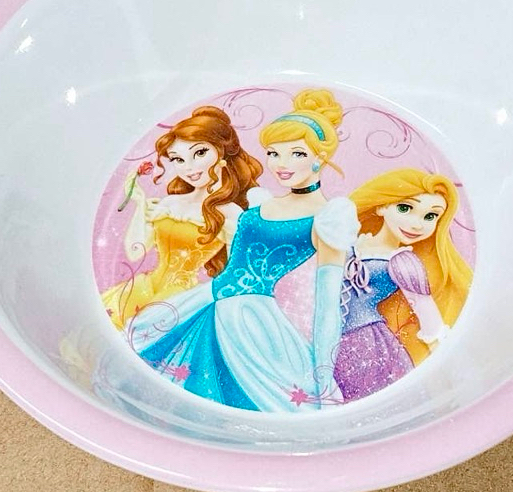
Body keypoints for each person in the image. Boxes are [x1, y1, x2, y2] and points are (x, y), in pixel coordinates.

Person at [121, 89, 357, 412]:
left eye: (297, 154)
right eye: (274, 153)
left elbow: (327, 304)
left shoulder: (329, 219)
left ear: (321, 157)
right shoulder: (259, 202)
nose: (282, 164)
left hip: (252, 322)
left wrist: (323, 372)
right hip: (205, 303)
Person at [101, 106, 262, 329]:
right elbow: (135, 252)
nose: (189, 168)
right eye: (178, 159)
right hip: (143, 288)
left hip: (182, 299)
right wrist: (140, 203)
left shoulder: (230, 212)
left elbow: (237, 270)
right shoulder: (170, 203)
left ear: (222, 153)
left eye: (200, 153)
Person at [332, 169, 472, 402]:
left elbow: (430, 321)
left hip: (364, 345)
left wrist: (449, 368)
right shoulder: (352, 241)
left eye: (430, 216)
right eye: (405, 208)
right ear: (381, 206)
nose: (416, 224)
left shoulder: (404, 262)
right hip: (325, 334)